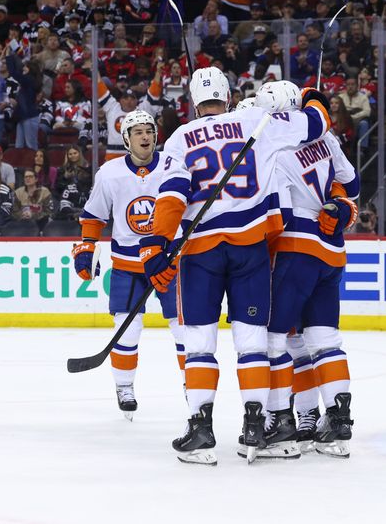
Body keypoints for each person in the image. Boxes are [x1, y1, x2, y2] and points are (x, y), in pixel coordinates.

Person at [142, 66, 333, 465]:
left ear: (193, 102)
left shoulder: (179, 137)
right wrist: (312, 95)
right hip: (250, 249)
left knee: (199, 343)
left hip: (201, 252)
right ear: (229, 95)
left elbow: (174, 194)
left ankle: (201, 431)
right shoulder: (256, 120)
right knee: (252, 343)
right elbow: (318, 124)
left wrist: (157, 245)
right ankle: (254, 427)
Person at [253, 81, 359, 458]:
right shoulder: (326, 138)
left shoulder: (273, 147)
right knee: (323, 340)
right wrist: (341, 209)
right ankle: (336, 420)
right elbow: (352, 185)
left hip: (294, 250)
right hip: (331, 251)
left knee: (274, 339)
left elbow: (276, 214)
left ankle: (278, 422)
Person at [71, 110, 185, 420]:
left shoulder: (174, 166)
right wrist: (87, 245)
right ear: (126, 139)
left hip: (168, 261)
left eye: (149, 130)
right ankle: (124, 386)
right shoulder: (109, 173)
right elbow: (94, 216)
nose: (145, 136)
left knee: (184, 330)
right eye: (138, 132)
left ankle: (194, 383)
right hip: (127, 264)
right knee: (127, 330)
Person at [97, 64, 163, 161]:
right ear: (120, 100)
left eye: (132, 98)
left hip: (137, 158)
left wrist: (158, 72)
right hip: (112, 158)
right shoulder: (112, 108)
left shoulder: (143, 111)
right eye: (125, 98)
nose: (129, 101)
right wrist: (95, 70)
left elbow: (154, 92)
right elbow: (100, 87)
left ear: (137, 101)